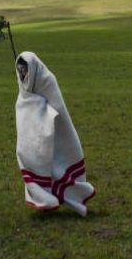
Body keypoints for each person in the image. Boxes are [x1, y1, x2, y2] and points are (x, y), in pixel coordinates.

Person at [14, 52, 96, 216]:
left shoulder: (47, 81)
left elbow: (58, 109)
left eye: (25, 70)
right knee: (34, 160)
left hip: (57, 134)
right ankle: (44, 199)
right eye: (20, 70)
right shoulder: (24, 88)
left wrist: (42, 113)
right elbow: (25, 108)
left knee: (58, 164)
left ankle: (70, 194)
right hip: (35, 138)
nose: (23, 74)